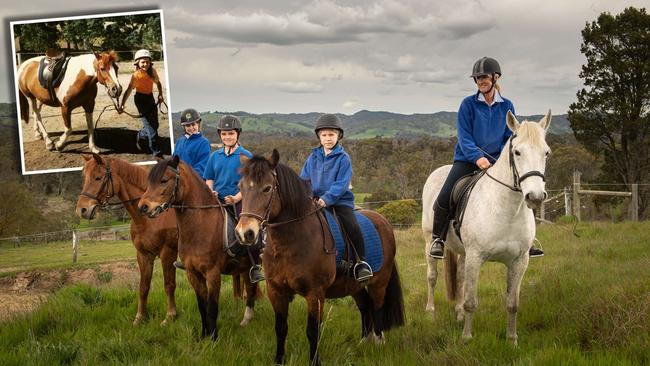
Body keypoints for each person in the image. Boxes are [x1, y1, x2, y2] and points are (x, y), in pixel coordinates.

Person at [428, 57, 544, 259]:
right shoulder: (468, 105)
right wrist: (478, 157)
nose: (480, 81)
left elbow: (511, 136)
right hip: (467, 160)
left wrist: (498, 159)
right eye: (477, 78)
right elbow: (464, 137)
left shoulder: (507, 105)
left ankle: (528, 240)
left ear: (495, 77)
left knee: (524, 189)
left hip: (499, 162)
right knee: (444, 197)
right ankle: (438, 239)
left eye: (483, 77)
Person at [300, 114, 373, 282]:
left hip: (340, 202)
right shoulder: (313, 157)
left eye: (331, 135)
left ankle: (360, 262)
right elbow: (304, 179)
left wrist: (327, 199)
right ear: (319, 136)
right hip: (315, 201)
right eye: (324, 135)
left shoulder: (343, 158)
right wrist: (309, 196)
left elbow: (341, 184)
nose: (327, 139)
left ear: (339, 136)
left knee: (352, 225)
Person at [203, 115, 264, 283]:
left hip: (239, 200)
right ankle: (193, 259)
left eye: (230, 133)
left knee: (248, 232)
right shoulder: (214, 156)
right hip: (216, 200)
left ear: (238, 134)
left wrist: (236, 198)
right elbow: (209, 178)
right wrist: (210, 193)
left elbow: (251, 184)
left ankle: (254, 266)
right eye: (223, 134)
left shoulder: (245, 155)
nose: (227, 137)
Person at [119, 49, 165, 157]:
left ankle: (141, 135)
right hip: (140, 100)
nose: (145, 64)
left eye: (147, 62)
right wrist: (122, 104)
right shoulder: (136, 76)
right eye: (143, 62)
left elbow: (158, 83)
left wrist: (160, 94)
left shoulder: (152, 72)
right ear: (137, 63)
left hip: (150, 98)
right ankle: (156, 153)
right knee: (152, 130)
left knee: (155, 125)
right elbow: (129, 90)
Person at [173, 108, 211, 177]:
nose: (191, 128)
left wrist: (184, 176)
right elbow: (173, 161)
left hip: (194, 181)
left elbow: (202, 167)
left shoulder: (204, 143)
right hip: (178, 180)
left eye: (193, 124)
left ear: (198, 124)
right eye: (188, 125)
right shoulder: (179, 141)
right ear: (184, 127)